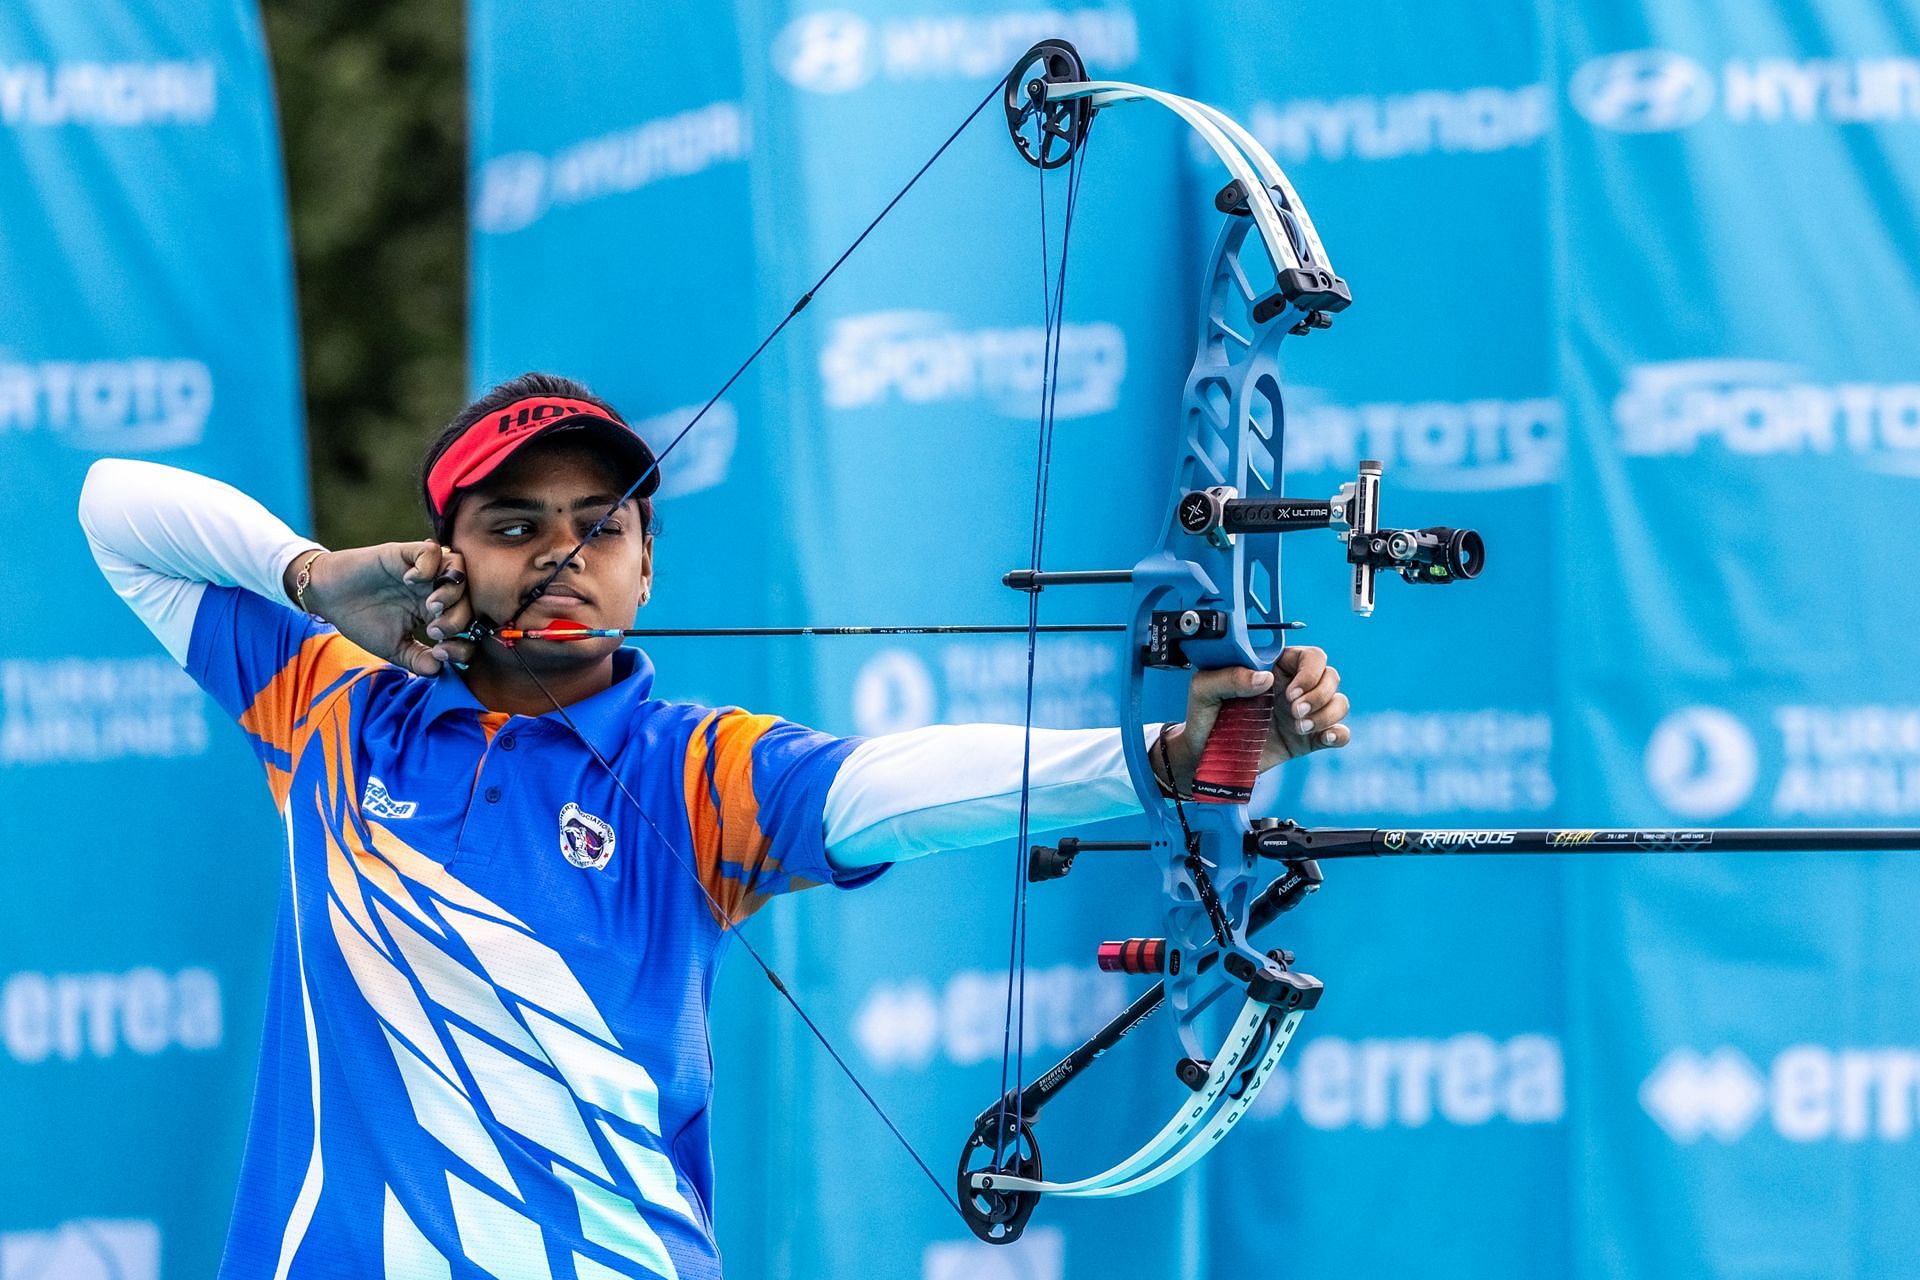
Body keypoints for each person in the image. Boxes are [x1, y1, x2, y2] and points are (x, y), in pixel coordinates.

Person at [78, 371, 1351, 1280]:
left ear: (648, 570)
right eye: (514, 524)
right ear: (440, 556)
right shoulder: (334, 710)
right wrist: (310, 576)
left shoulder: (694, 770)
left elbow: (899, 782)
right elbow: (111, 507)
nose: (563, 551)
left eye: (603, 525)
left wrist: (1172, 757)